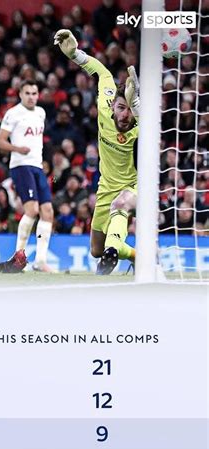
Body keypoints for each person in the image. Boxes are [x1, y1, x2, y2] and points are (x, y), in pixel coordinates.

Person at [54, 29, 139, 275]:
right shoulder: (105, 105)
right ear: (112, 105)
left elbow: (155, 127)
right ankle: (136, 256)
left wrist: (138, 109)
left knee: (122, 203)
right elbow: (103, 73)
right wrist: (75, 54)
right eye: (121, 108)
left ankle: (112, 253)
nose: (125, 115)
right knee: (95, 249)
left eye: (130, 110)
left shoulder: (142, 125)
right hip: (106, 187)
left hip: (136, 187)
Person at [0, 79, 54, 272]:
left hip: (37, 166)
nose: (31, 97)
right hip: (21, 165)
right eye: (27, 93)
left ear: (38, 95)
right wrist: (17, 149)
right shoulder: (13, 113)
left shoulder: (41, 113)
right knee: (32, 210)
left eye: (34, 93)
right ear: (20, 94)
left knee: (48, 212)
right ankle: (17, 258)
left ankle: (41, 261)